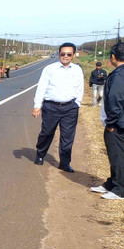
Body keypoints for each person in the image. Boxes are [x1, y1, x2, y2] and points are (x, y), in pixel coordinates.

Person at [32, 42, 84, 172]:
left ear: (73, 55)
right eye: (63, 54)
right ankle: (40, 154)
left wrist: (77, 103)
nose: (65, 56)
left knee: (68, 137)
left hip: (70, 108)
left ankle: (65, 163)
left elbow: (80, 87)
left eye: (69, 54)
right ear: (59, 53)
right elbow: (42, 87)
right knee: (46, 132)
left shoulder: (77, 69)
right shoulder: (50, 69)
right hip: (51, 107)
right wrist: (37, 105)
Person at [91, 43, 124, 199]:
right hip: (119, 122)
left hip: (117, 124)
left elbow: (115, 100)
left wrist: (111, 123)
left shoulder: (118, 75)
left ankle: (119, 189)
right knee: (114, 155)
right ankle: (112, 182)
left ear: (113, 57)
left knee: (117, 155)